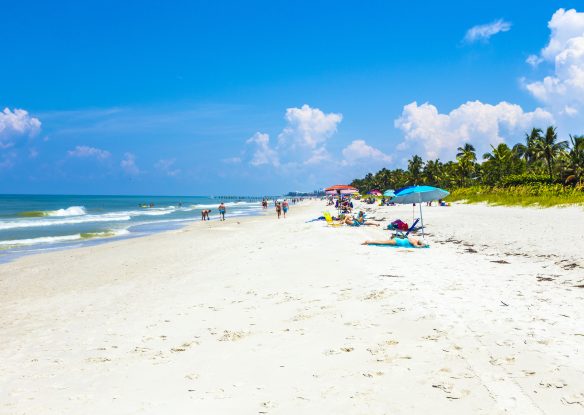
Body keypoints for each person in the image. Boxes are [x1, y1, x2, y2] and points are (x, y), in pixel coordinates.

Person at [361, 235, 428, 248]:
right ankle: (368, 242)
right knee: (382, 242)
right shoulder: (414, 242)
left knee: (383, 242)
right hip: (397, 241)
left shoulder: (415, 241)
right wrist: (422, 246)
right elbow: (416, 246)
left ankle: (369, 242)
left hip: (398, 242)